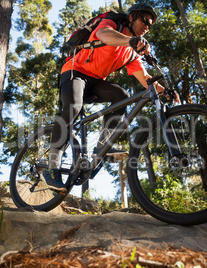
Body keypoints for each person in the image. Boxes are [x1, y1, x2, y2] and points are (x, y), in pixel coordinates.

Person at [42, 3, 180, 192]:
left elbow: (144, 78)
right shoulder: (113, 22)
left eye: (151, 25)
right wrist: (129, 41)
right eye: (145, 21)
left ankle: (102, 149)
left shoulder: (131, 51)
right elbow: (103, 34)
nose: (147, 26)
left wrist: (165, 90)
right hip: (75, 71)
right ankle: (52, 167)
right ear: (131, 18)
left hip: (96, 81)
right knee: (73, 107)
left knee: (120, 95)